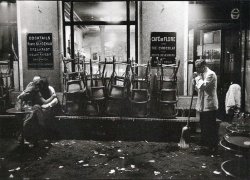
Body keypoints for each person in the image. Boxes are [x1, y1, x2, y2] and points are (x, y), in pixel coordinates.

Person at [193, 59, 218, 153]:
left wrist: (197, 78)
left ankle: (213, 145)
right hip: (202, 104)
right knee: (203, 125)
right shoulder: (201, 75)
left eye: (198, 67)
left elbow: (203, 86)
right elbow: (199, 89)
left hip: (210, 104)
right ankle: (204, 143)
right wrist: (194, 83)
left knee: (210, 126)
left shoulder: (210, 74)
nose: (197, 69)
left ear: (203, 66)